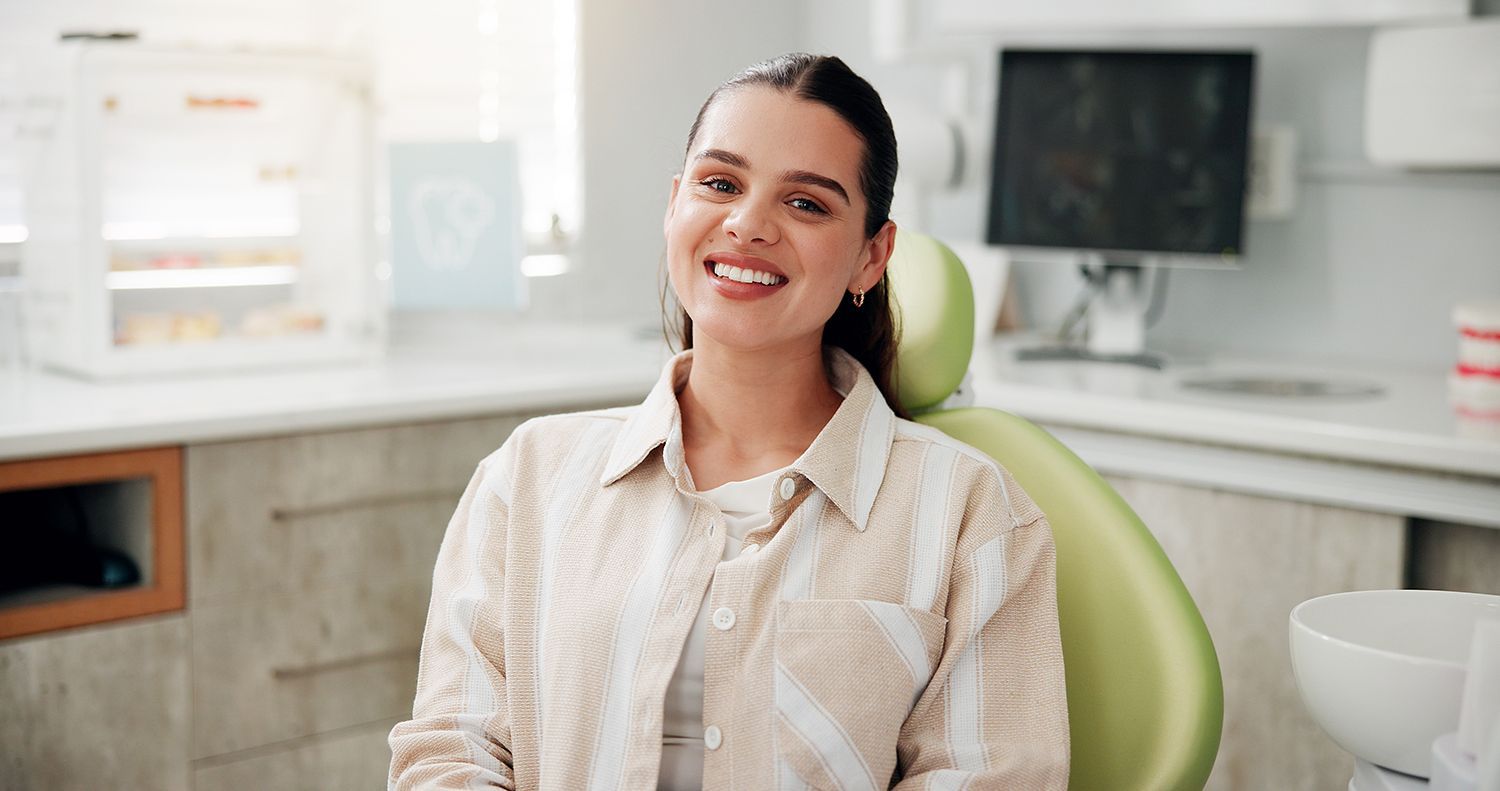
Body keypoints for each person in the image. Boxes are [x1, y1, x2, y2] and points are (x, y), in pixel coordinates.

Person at [388, 53, 1069, 790]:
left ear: (872, 256)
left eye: (806, 203)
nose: (747, 224)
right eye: (720, 184)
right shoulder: (526, 477)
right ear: (676, 204)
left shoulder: (969, 512)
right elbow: (450, 752)